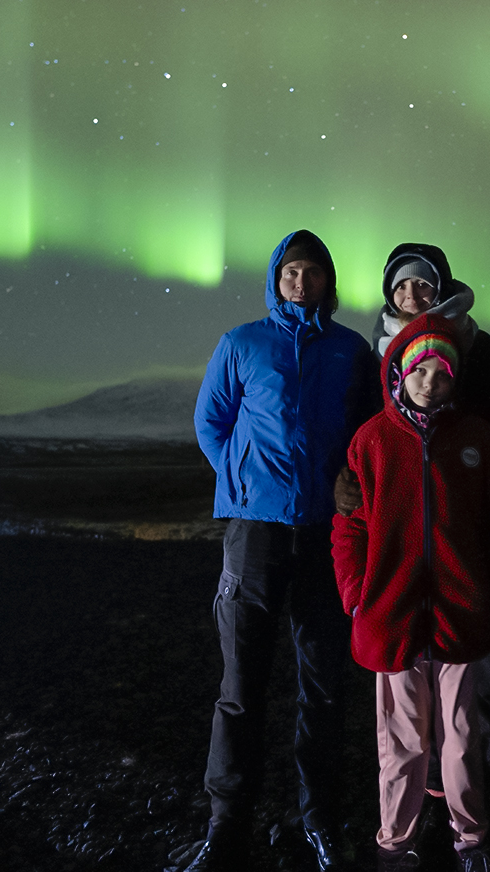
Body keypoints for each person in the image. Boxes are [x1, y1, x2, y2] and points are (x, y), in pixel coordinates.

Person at [182, 230, 379, 872]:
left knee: (322, 685)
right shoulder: (241, 343)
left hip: (327, 532)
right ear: (276, 278)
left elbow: (371, 431)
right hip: (255, 532)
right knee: (242, 684)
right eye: (291, 271)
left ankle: (319, 818)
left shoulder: (351, 351)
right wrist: (240, 481)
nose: (302, 281)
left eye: (313, 272)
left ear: (328, 281)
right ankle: (227, 823)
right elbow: (210, 422)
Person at [339, 243, 490, 817]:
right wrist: (346, 488)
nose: (411, 296)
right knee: (409, 669)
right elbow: (360, 435)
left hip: (467, 535)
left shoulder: (476, 348)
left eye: (422, 286)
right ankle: (429, 783)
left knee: (485, 667)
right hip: (402, 541)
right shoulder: (374, 353)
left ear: (442, 287)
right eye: (400, 287)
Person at [332, 314, 490, 872]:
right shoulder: (372, 440)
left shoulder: (478, 438)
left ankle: (472, 838)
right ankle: (396, 844)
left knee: (461, 739)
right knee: (401, 742)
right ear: (400, 374)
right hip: (392, 614)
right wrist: (357, 597)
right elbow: (350, 528)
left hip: (460, 613)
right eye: (421, 371)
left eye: (441, 374)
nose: (430, 382)